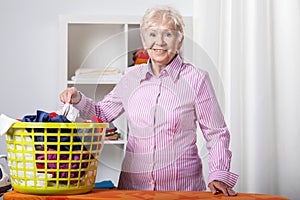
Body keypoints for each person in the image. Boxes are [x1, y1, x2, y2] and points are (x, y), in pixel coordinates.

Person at [60, 5, 238, 196]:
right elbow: (102, 114)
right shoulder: (130, 77)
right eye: (152, 35)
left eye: (168, 35)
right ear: (144, 41)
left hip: (182, 190)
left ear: (180, 41)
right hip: (134, 189)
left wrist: (218, 175)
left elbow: (216, 132)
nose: (159, 42)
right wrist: (78, 99)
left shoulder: (196, 79)